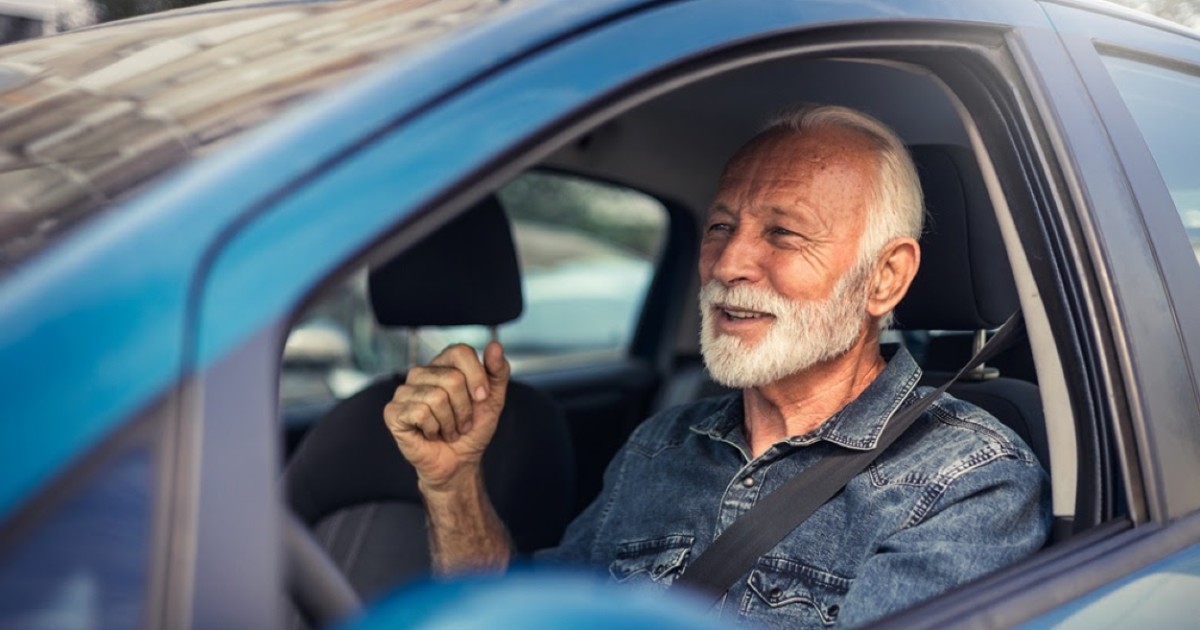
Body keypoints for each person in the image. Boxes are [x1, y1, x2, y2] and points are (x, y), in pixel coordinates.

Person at [382, 104, 1051, 628]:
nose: (728, 265)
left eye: (783, 234)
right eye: (720, 227)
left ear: (884, 278)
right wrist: (453, 482)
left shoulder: (967, 482)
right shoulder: (659, 446)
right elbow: (519, 616)